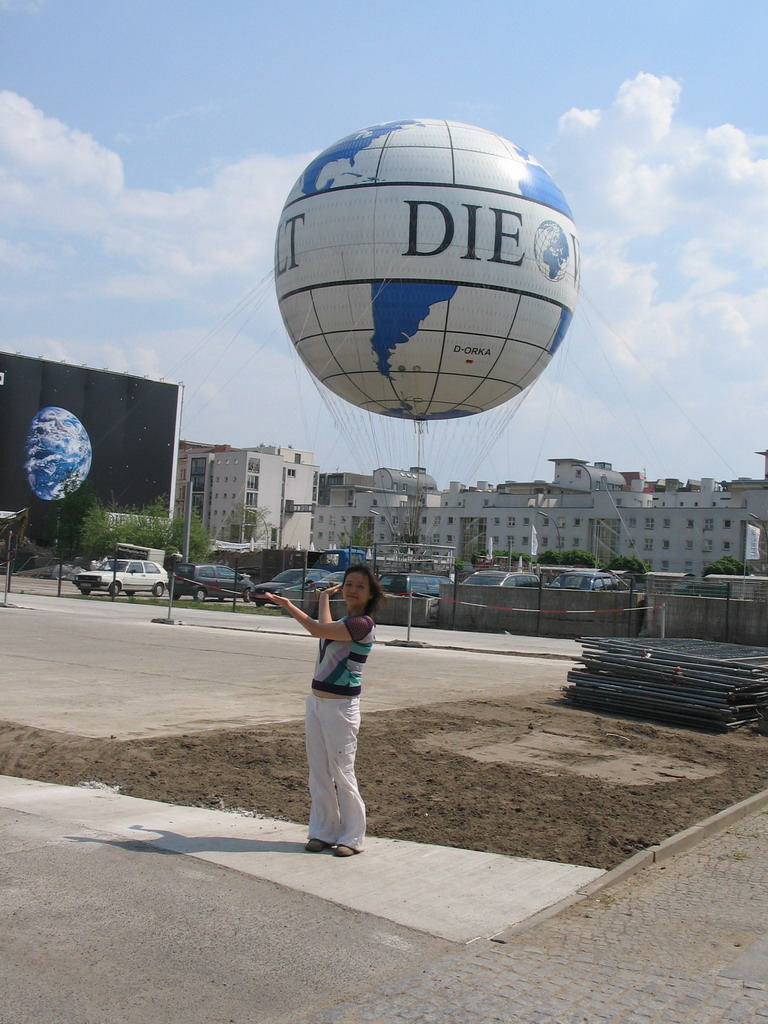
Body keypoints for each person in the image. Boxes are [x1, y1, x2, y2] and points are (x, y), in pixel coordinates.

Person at [265, 565, 386, 857]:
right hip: (317, 703)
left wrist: (289, 605)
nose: (352, 589)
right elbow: (325, 629)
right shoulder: (345, 620)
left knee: (342, 773)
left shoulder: (362, 625)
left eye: (359, 585)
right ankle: (323, 831)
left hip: (340, 707)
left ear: (370, 593)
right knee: (318, 771)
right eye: (348, 584)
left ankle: (352, 838)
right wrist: (323, 599)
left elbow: (317, 629)